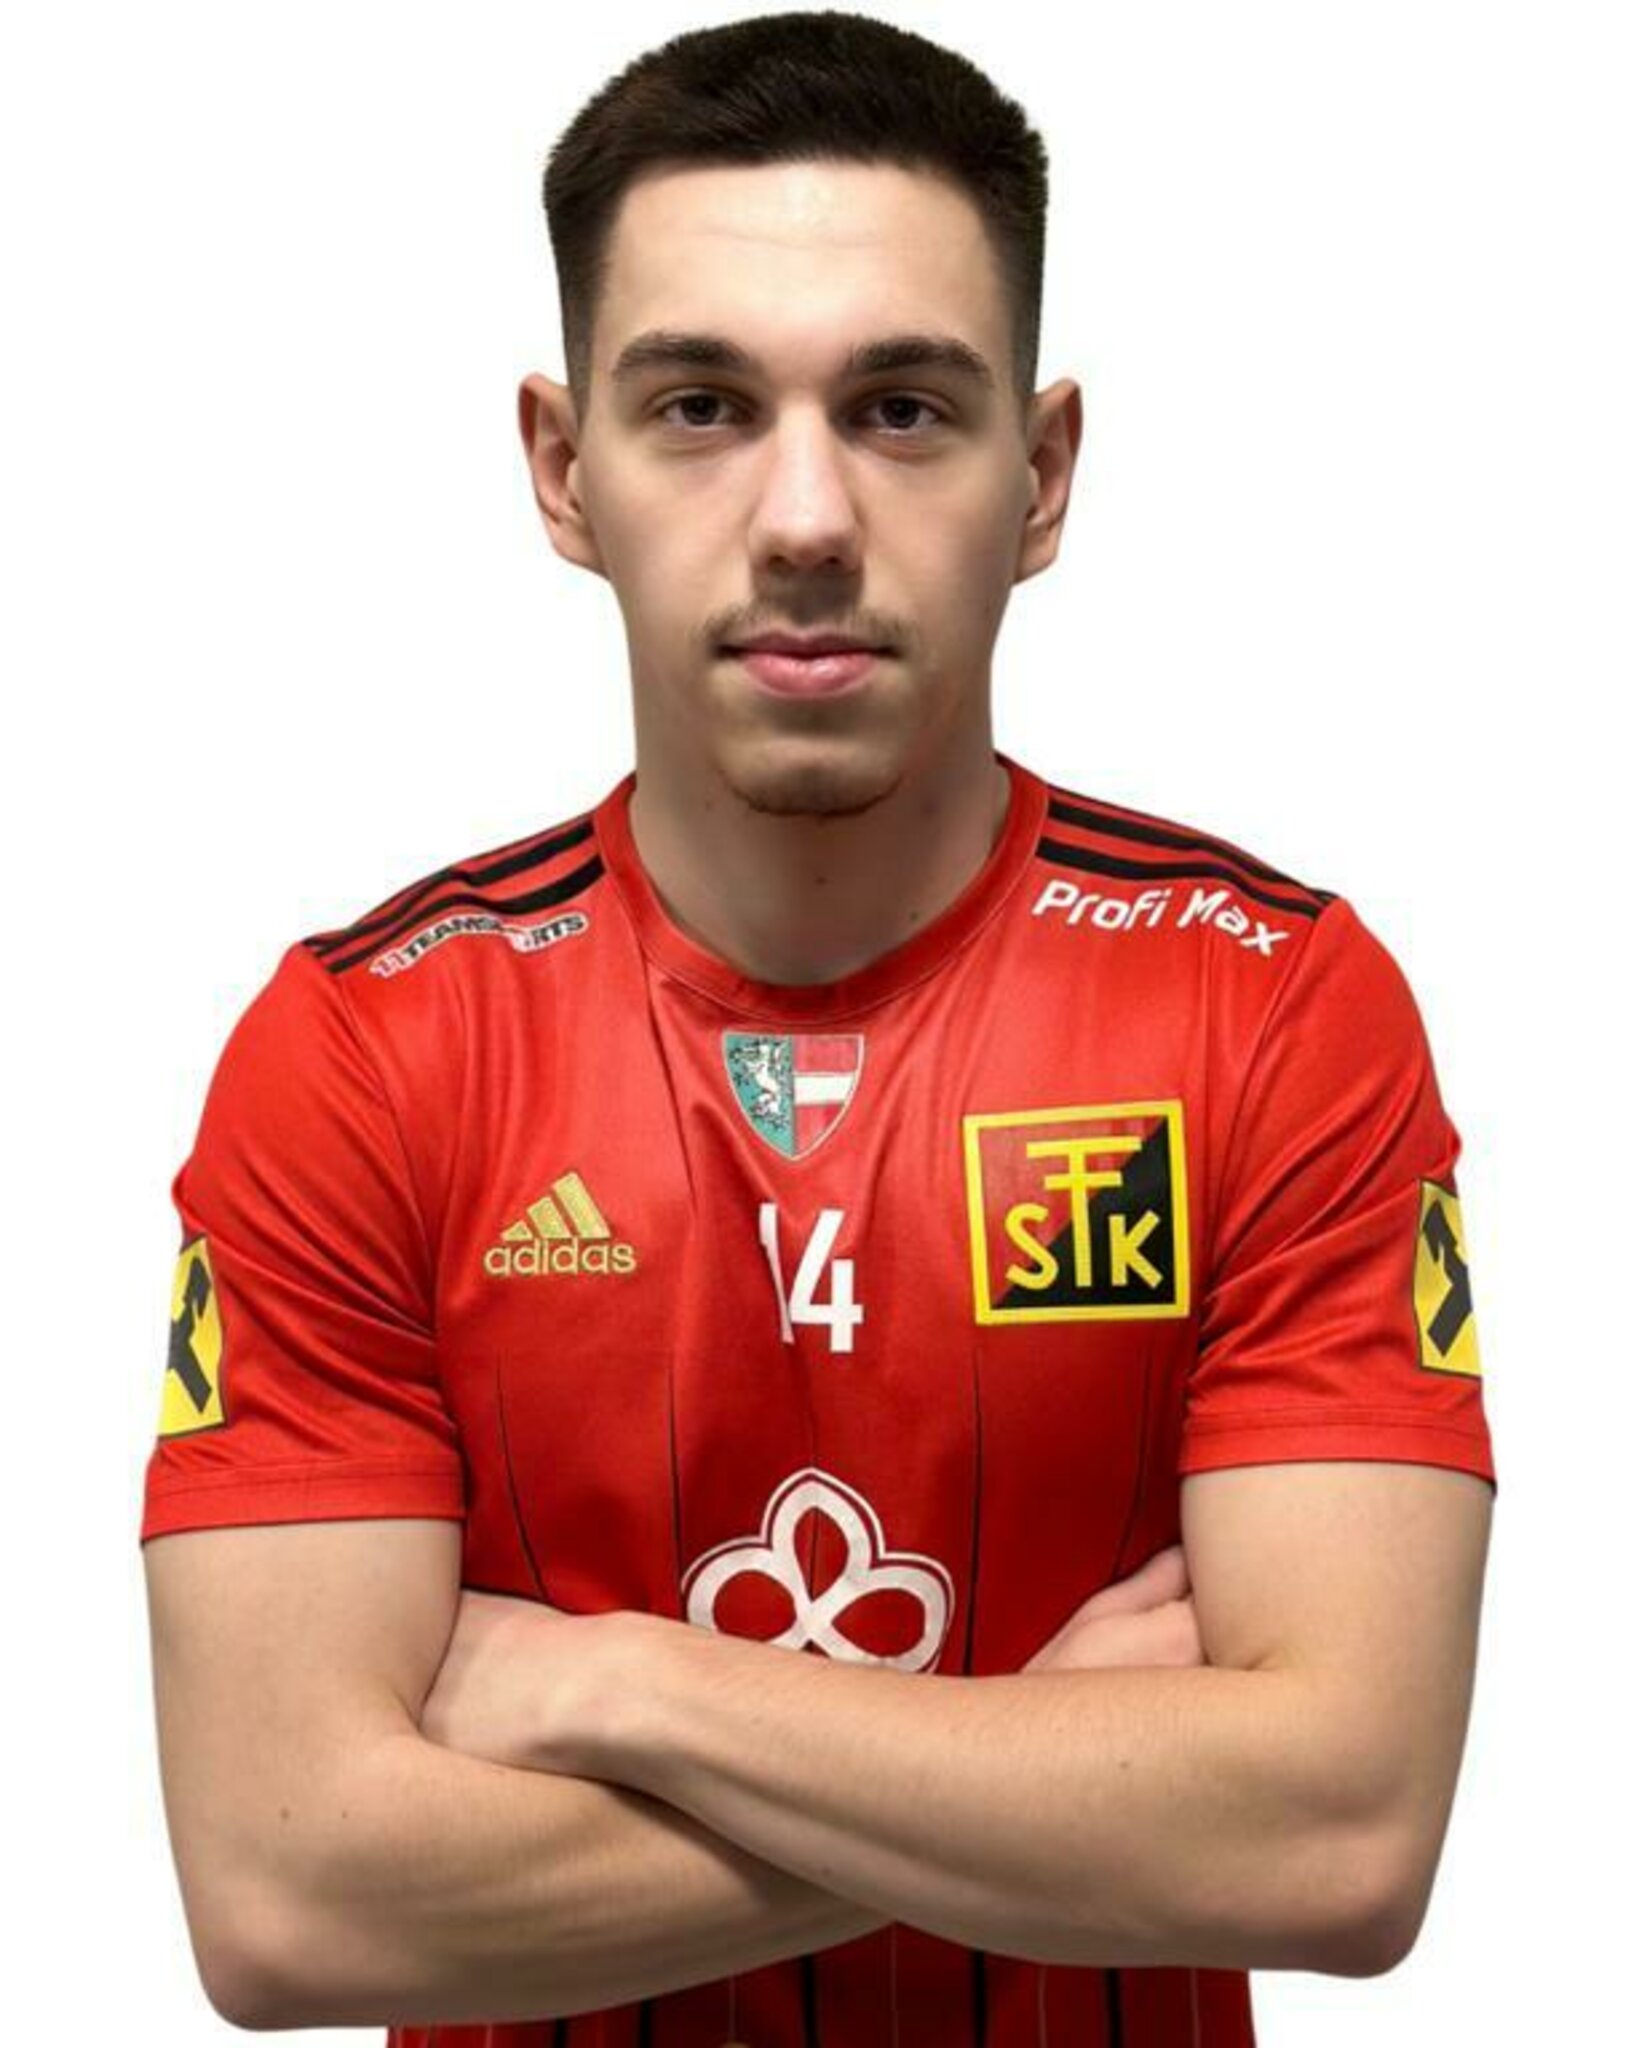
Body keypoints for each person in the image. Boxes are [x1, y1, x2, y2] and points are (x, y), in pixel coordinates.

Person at [140, 12, 1496, 2046]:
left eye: (900, 409)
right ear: (563, 468)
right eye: (699, 405)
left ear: (1040, 476)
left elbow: (1339, 1842)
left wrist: (626, 1686)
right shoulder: (360, 1052)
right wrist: (1058, 1770)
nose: (801, 517)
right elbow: (287, 1900)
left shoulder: (1273, 1005)